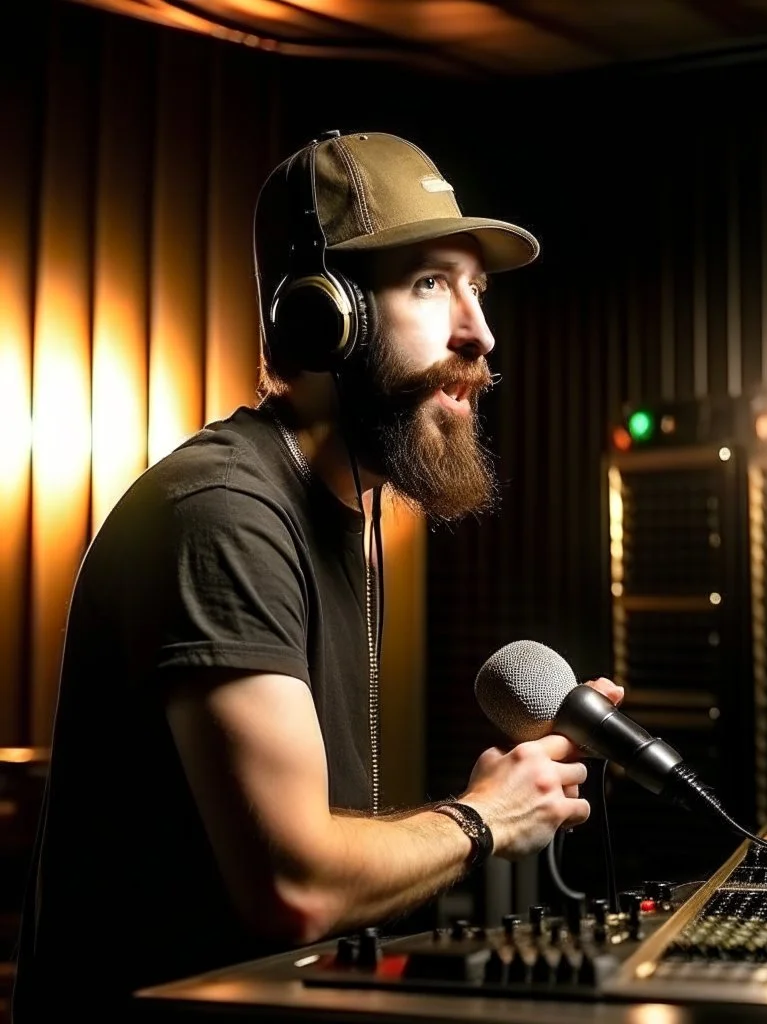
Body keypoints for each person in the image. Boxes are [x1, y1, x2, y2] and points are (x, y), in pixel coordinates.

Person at [11, 129, 623, 1021]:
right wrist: (486, 817)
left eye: (478, 290)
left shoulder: (339, 516)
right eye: (429, 284)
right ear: (324, 316)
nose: (480, 332)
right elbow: (293, 886)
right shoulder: (222, 511)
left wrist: (505, 792)